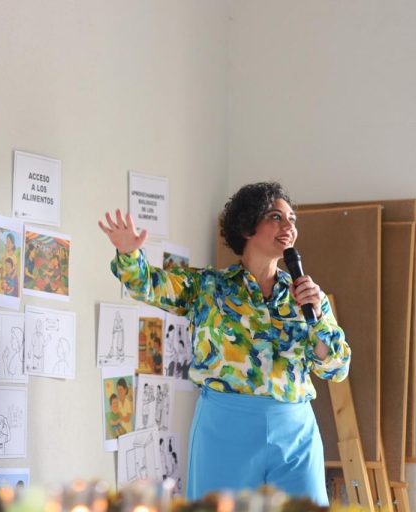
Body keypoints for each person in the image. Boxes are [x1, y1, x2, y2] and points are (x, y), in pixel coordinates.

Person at [99, 182, 351, 505]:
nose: (288, 226)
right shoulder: (208, 287)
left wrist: (316, 317)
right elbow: (147, 285)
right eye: (276, 217)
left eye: (292, 219)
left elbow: (337, 368)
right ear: (247, 226)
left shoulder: (307, 295)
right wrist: (129, 253)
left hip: (295, 432)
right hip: (224, 429)